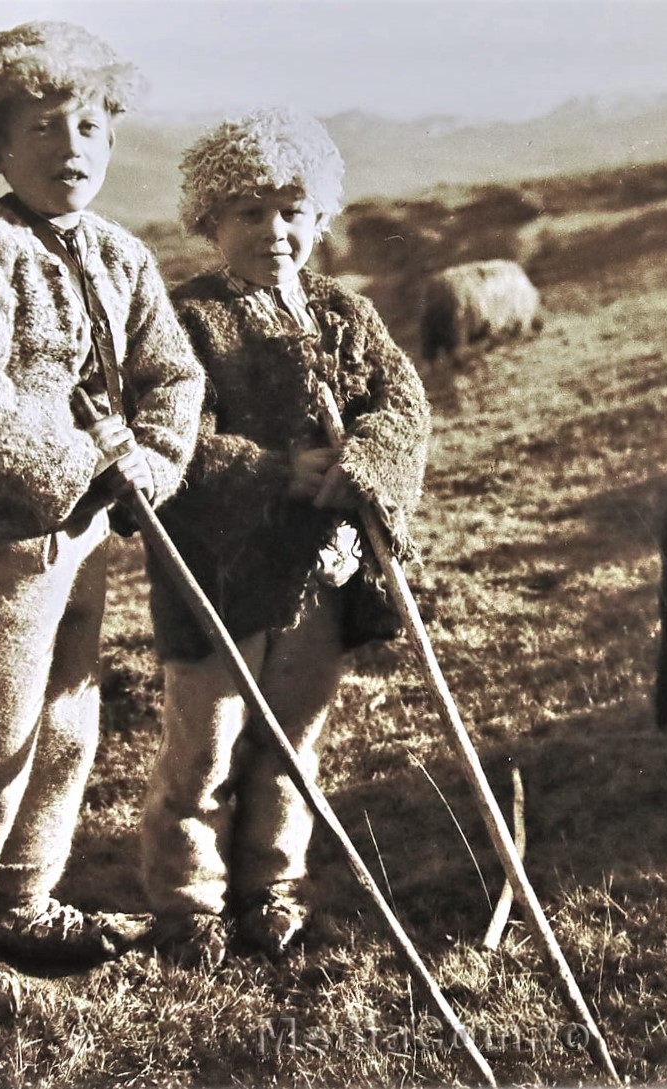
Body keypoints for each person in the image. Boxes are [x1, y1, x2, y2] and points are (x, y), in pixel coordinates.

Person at [0, 21, 204, 1025]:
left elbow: (171, 374)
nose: (71, 148)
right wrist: (83, 473)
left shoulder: (119, 253)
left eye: (89, 126)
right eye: (42, 128)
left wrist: (151, 463)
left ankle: (18, 900)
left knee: (62, 727)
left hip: (83, 537)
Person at [141, 106, 431, 967]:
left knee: (294, 738)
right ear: (210, 221)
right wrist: (273, 473)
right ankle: (190, 899)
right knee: (205, 746)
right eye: (250, 212)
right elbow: (172, 438)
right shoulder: (188, 320)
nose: (275, 230)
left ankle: (272, 883)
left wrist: (367, 461)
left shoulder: (344, 313)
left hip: (322, 573)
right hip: (220, 579)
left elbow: (403, 406)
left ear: (320, 216)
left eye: (292, 211)